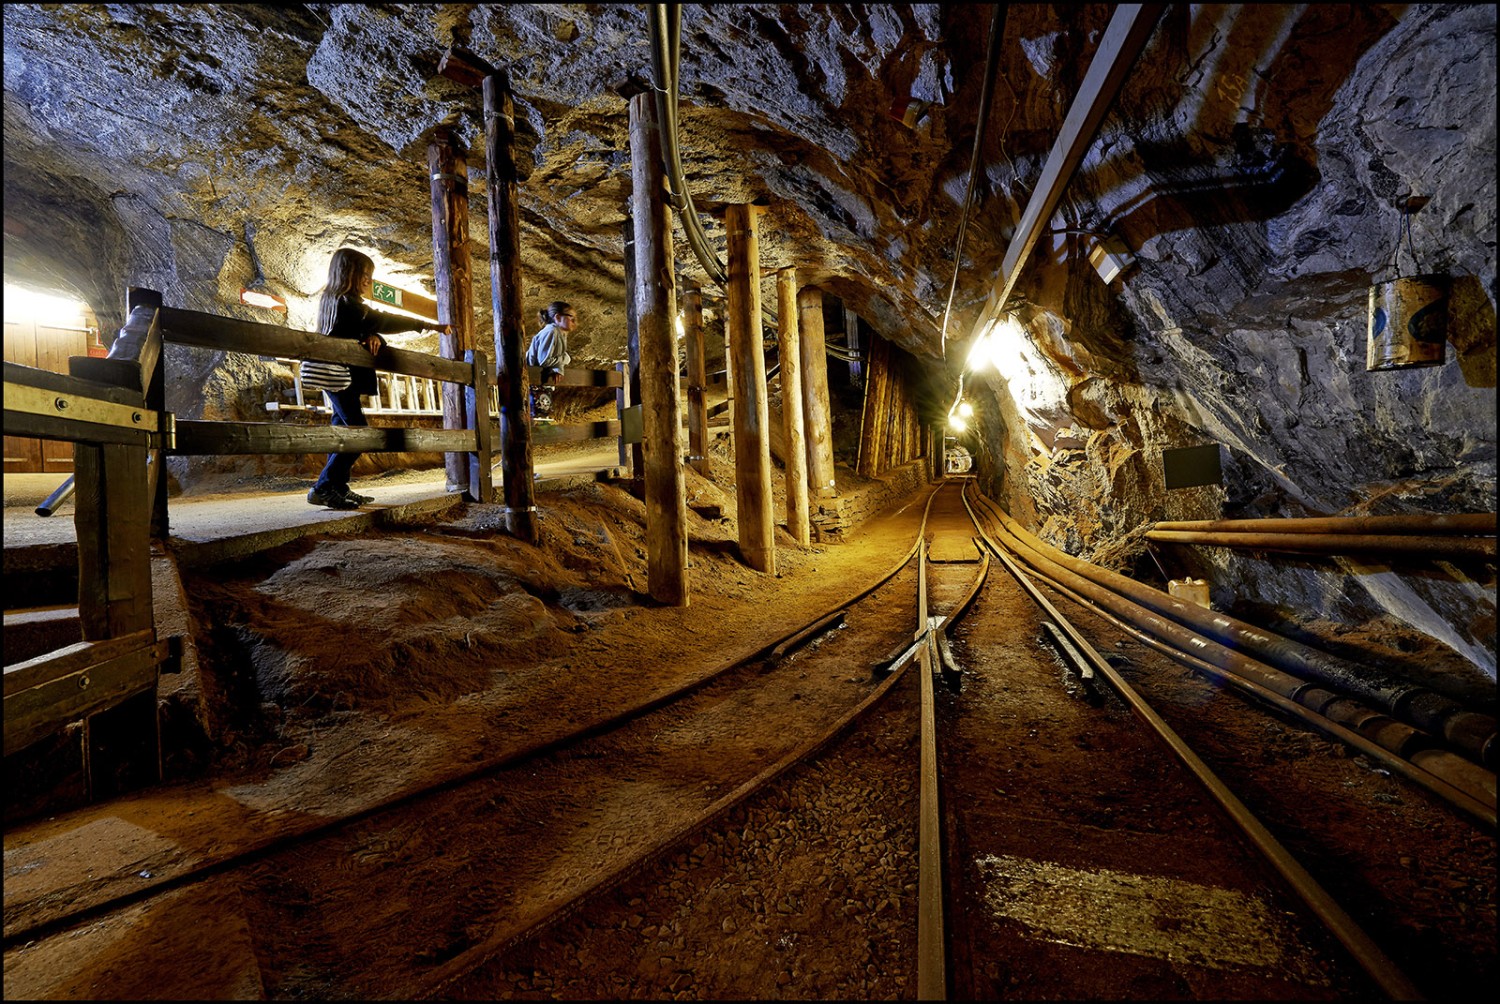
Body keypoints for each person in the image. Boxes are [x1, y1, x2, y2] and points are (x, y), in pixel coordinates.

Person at [306, 248, 448, 509]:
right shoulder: (347, 304)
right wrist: (425, 325)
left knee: (342, 428)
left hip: (336, 374)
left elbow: (366, 328)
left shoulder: (333, 301)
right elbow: (380, 320)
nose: (368, 280)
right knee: (359, 431)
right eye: (365, 274)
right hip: (338, 373)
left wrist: (374, 336)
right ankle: (324, 487)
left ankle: (337, 486)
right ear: (349, 273)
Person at [524, 301, 576, 421]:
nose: (574, 322)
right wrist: (566, 359)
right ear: (558, 317)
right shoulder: (551, 332)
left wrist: (558, 368)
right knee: (537, 421)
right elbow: (545, 361)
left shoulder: (560, 333)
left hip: (539, 385)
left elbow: (555, 357)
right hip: (533, 382)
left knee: (542, 419)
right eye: (571, 317)